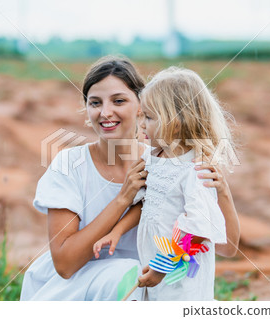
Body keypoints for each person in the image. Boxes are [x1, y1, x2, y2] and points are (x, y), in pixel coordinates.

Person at [20, 56, 239, 301]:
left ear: (140, 106)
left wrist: (223, 195)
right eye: (94, 103)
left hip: (149, 281)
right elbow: (65, 264)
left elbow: (223, 245)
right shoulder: (70, 164)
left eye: (119, 101)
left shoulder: (163, 163)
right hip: (75, 287)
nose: (105, 112)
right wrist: (123, 198)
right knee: (129, 273)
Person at [93, 67, 239, 300]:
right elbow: (146, 206)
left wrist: (161, 268)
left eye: (149, 117)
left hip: (178, 273)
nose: (141, 124)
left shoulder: (195, 170)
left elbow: (197, 229)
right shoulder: (152, 157)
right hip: (155, 263)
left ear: (177, 121)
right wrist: (117, 232)